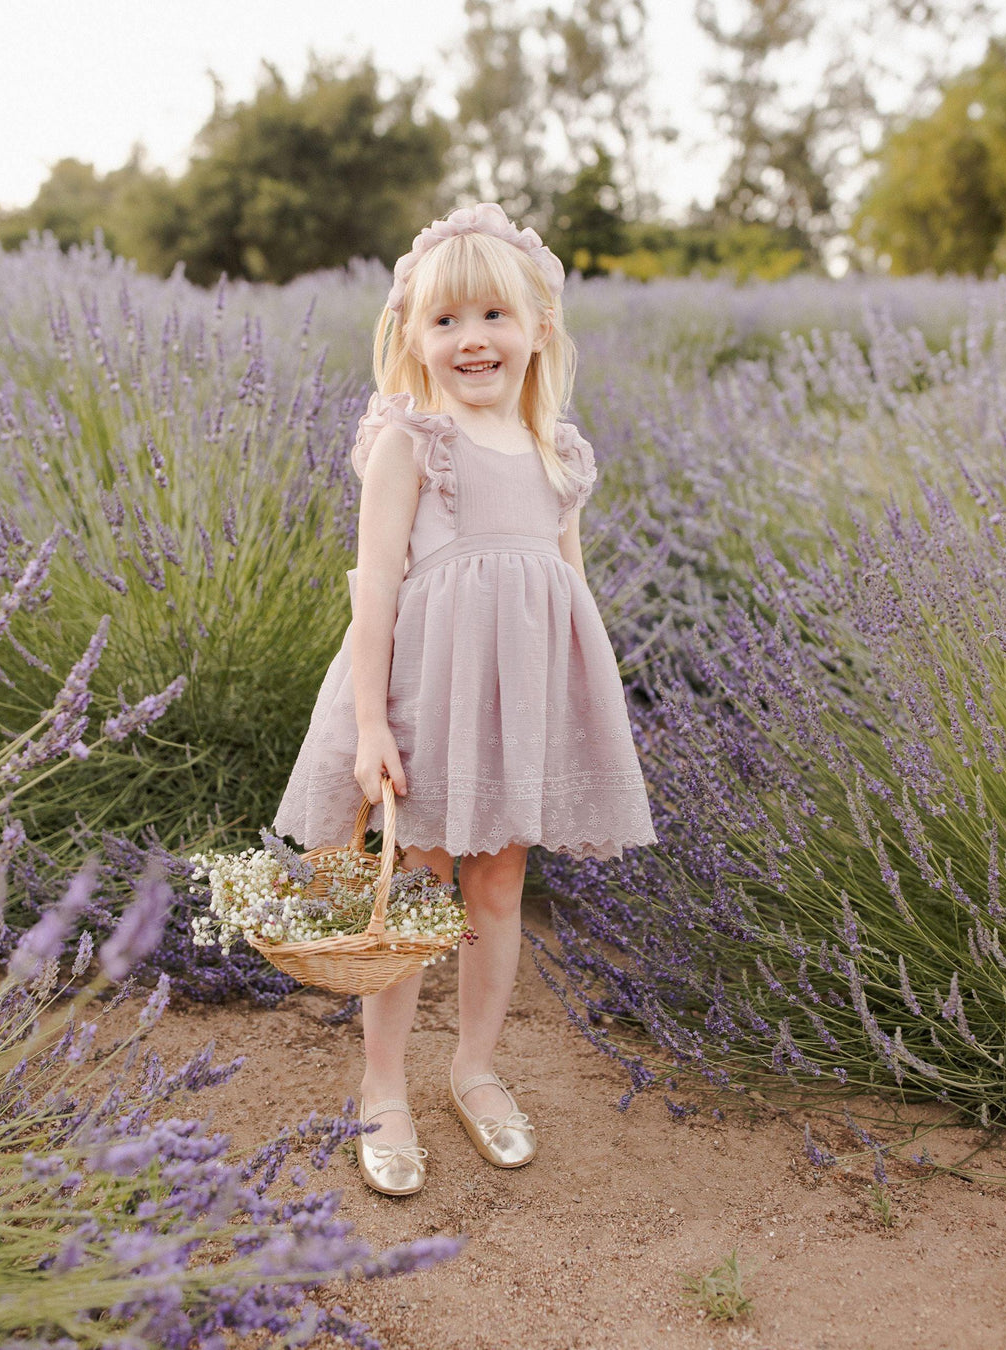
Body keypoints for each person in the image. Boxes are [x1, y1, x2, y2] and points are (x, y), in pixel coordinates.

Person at [272, 202, 657, 1197]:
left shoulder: (556, 453)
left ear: (537, 330)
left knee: (496, 891)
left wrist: (580, 718)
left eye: (493, 316)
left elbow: (568, 595)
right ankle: (384, 1083)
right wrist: (368, 726)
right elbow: (375, 587)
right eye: (445, 321)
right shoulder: (414, 443)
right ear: (413, 336)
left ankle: (474, 1069)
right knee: (414, 896)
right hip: (428, 701)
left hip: (518, 706)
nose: (471, 339)